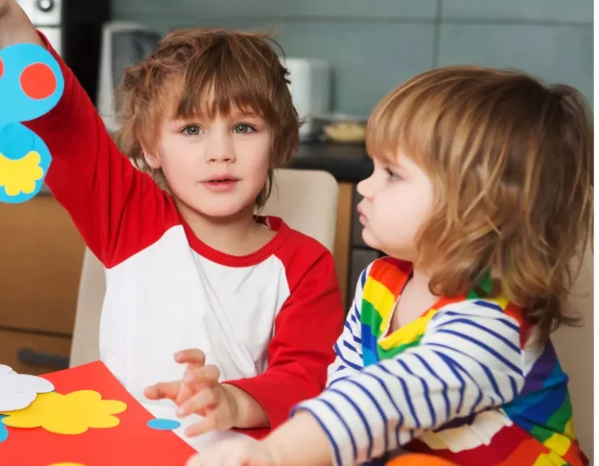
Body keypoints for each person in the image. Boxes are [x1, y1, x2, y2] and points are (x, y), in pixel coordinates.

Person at [0, 0, 344, 440]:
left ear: (277, 141)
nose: (220, 152)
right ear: (151, 148)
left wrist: (232, 400)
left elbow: (308, 382)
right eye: (191, 129)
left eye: (244, 127)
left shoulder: (305, 264)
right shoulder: (130, 219)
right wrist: (7, 20)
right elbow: (65, 124)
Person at [186, 65, 593, 465]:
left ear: (477, 207)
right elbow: (347, 386)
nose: (365, 186)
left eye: (392, 174)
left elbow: (390, 397)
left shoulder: (492, 321)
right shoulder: (380, 282)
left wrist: (277, 453)